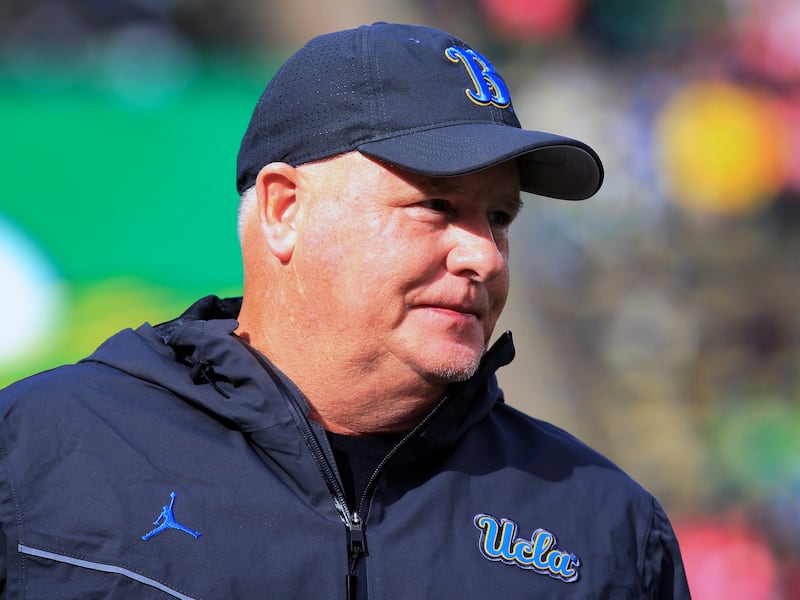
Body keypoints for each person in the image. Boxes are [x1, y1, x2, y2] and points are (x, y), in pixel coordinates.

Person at [0, 22, 690, 599]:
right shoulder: (39, 451)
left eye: (500, 217)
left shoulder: (606, 526)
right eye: (437, 206)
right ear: (283, 210)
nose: (484, 257)